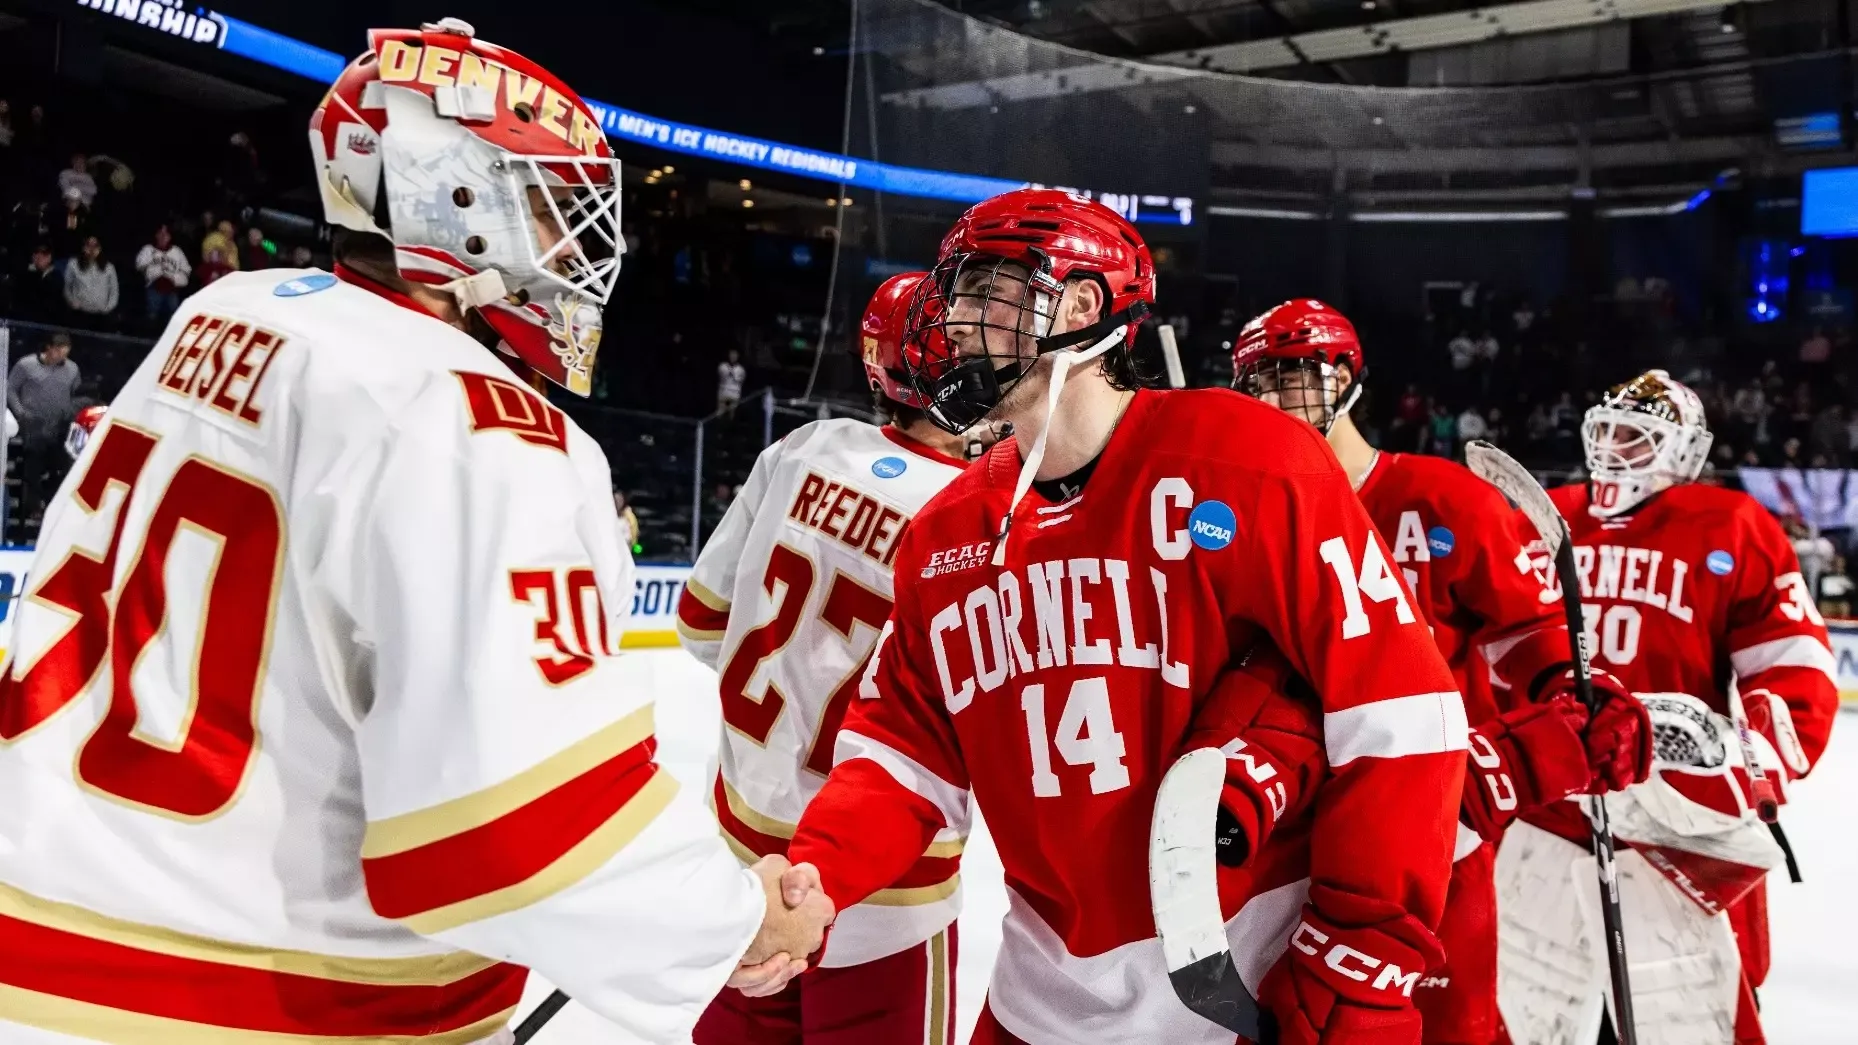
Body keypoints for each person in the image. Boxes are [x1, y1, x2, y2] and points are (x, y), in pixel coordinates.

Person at [0, 20, 828, 1045]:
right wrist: (736, 918)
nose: (575, 246)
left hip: (38, 933)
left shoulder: (223, 309)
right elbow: (510, 833)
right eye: (550, 206)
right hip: (254, 995)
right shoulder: (475, 418)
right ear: (457, 203)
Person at [765, 189, 1468, 1044]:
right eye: (954, 298)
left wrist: (1359, 953)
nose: (955, 322)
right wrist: (818, 878)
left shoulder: (1250, 461)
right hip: (1038, 997)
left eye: (986, 290)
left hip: (1243, 981)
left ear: (1082, 305)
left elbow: (1401, 713)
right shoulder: (943, 534)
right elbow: (900, 756)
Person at [1232, 299, 1651, 1045]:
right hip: (1287, 829)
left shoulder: (1440, 496)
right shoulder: (1253, 509)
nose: (1268, 398)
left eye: (1288, 375)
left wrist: (1569, 695)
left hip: (1434, 823)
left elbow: (1530, 628)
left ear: (1344, 375)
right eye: (1254, 382)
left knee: (1452, 1025)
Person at [679, 272, 996, 1043]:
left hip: (744, 862)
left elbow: (698, 621)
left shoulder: (801, 450)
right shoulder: (984, 511)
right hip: (882, 886)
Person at [1498, 370, 1842, 1045]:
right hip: (1545, 814)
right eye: (1611, 430)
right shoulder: (1542, 517)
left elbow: (1792, 668)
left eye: (1639, 435)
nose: (1617, 446)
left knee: (1685, 1019)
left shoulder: (1734, 524)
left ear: (1683, 450)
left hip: (1671, 818)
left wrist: (1739, 764)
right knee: (1521, 1012)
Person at [6, 330, 80, 542]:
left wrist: (70, 412)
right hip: (33, 425)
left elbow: (75, 393)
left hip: (59, 427)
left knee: (61, 469)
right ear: (48, 348)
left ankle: (55, 508)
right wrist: (20, 412)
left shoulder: (72, 369)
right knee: (33, 468)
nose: (62, 355)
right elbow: (11, 389)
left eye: (66, 351)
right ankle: (32, 507)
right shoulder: (26, 365)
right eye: (58, 350)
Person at [135, 223, 191, 325]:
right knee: (152, 317)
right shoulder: (148, 249)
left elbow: (187, 270)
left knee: (173, 320)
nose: (163, 237)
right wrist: (154, 267)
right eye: (160, 234)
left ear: (170, 237)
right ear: (156, 235)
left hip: (172, 291)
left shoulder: (177, 251)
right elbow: (139, 265)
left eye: (165, 234)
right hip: (154, 288)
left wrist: (175, 278)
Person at [61, 234, 119, 327]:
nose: (92, 249)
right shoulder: (73, 264)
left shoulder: (109, 267)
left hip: (101, 315)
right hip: (80, 314)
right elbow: (67, 286)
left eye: (95, 246)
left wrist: (108, 308)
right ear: (83, 247)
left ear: (100, 248)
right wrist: (72, 302)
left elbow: (114, 291)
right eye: (88, 245)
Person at [16, 243, 63, 322]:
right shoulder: (33, 276)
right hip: (31, 320)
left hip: (47, 322)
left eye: (40, 256)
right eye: (35, 255)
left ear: (49, 257)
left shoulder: (56, 277)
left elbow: (47, 303)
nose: (36, 259)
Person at [717, 347, 746, 416]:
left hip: (735, 393)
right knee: (720, 413)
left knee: (732, 413)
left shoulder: (741, 369)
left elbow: (741, 381)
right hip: (724, 392)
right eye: (731, 354)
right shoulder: (722, 366)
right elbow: (721, 377)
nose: (733, 356)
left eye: (735, 355)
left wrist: (734, 376)